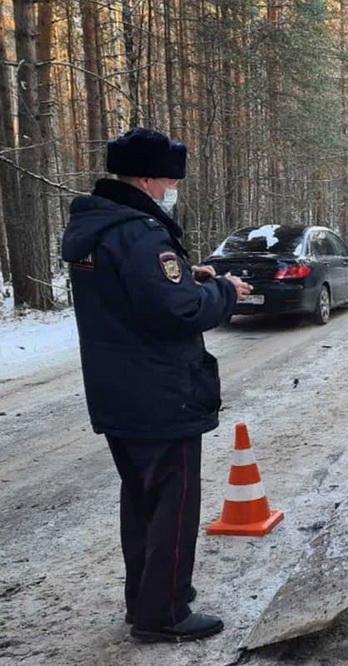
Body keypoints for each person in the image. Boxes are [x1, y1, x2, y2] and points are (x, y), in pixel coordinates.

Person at [62, 128, 252, 643]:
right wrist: (224, 291)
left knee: (141, 502)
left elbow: (132, 291)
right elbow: (179, 311)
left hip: (117, 392)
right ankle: (164, 612)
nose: (173, 187)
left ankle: (141, 600)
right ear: (147, 178)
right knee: (173, 503)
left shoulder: (100, 227)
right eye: (170, 178)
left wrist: (186, 274)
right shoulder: (141, 232)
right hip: (161, 393)